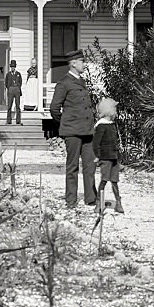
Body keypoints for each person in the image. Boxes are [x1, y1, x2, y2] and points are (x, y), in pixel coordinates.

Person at [50, 50, 97, 208]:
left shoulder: (82, 81)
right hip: (73, 132)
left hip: (87, 131)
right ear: (74, 63)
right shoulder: (64, 83)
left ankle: (91, 198)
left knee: (90, 166)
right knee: (72, 166)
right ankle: (71, 200)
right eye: (82, 61)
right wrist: (65, 124)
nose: (85, 64)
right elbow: (54, 108)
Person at [93, 97, 124, 214]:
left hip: (114, 157)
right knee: (104, 180)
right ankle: (98, 203)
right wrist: (97, 156)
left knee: (115, 181)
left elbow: (115, 142)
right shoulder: (101, 126)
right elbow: (96, 143)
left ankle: (118, 202)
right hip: (105, 158)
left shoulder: (111, 124)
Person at [4, 60, 24, 125]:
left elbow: (20, 82)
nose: (13, 68)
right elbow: (6, 82)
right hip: (11, 89)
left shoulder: (18, 74)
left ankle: (18, 120)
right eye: (12, 67)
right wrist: (9, 88)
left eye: (14, 66)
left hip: (17, 90)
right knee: (9, 105)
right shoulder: (8, 74)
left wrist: (18, 87)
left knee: (17, 105)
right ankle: (9, 120)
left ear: (15, 67)